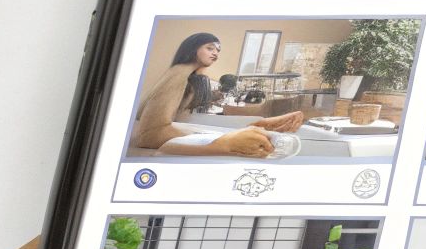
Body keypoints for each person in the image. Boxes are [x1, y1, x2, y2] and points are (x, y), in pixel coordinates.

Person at [128, 32, 303, 156]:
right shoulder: (179, 73)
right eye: (210, 48)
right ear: (192, 48)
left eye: (218, 50)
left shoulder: (191, 77)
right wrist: (226, 141)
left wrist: (259, 124)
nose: (216, 54)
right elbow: (149, 135)